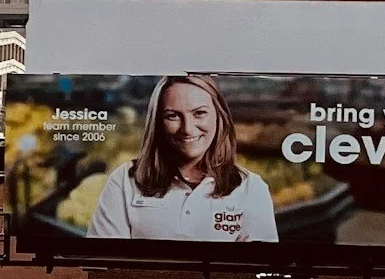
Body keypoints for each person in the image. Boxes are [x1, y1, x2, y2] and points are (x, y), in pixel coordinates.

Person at [89, 73, 279, 244]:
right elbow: (102, 267)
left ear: (219, 117)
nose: (187, 128)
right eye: (173, 116)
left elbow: (258, 273)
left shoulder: (251, 188)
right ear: (158, 123)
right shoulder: (124, 180)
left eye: (199, 113)